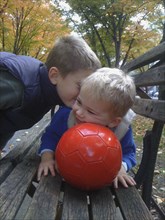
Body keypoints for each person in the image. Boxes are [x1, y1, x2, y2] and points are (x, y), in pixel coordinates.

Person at [37, 67, 137, 188]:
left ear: (113, 121)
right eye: (78, 102)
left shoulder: (122, 129)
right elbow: (50, 136)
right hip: (65, 172)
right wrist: (47, 158)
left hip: (99, 180)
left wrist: (120, 167)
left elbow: (129, 153)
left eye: (91, 111)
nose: (79, 112)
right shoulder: (67, 115)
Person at [0, 34, 101, 150]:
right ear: (54, 75)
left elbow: (9, 121)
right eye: (80, 86)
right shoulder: (18, 85)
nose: (84, 95)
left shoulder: (47, 94)